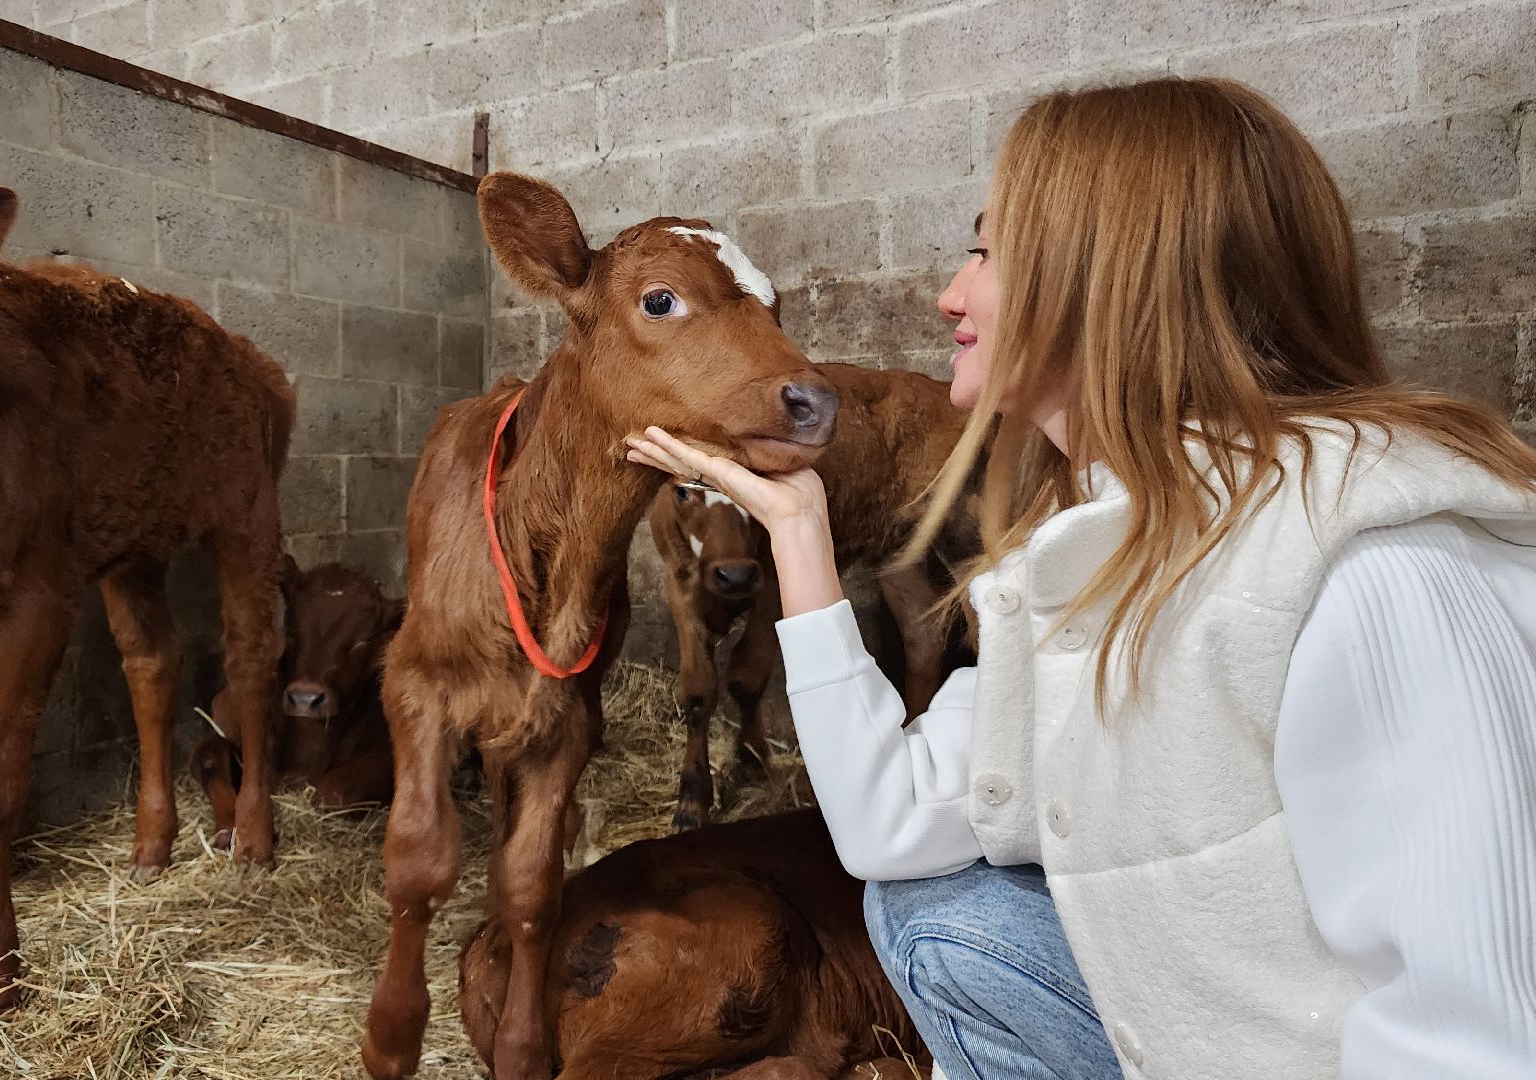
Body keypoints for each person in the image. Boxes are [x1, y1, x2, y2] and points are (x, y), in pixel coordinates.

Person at [626, 77, 1536, 1080]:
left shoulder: (1370, 566)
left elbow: (1477, 1034)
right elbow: (891, 827)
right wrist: (795, 532)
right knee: (935, 912)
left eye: (986, 251)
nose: (949, 295)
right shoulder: (1086, 551)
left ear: (1111, 275)